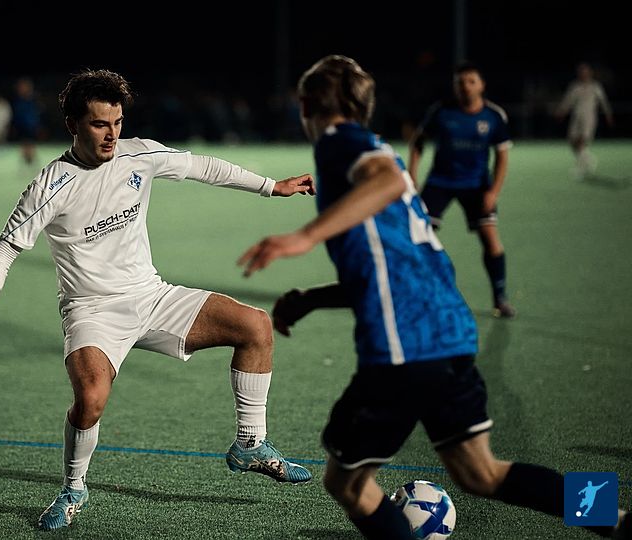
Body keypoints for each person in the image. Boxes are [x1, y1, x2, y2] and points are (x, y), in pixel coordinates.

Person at [238, 55, 629, 540]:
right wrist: (313, 299)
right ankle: (617, 518)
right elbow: (396, 269)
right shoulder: (376, 147)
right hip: (450, 332)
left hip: (404, 345)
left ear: (304, 106)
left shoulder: (342, 143)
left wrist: (304, 237)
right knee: (481, 472)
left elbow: (385, 180)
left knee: (347, 482)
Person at [0, 68, 316, 531]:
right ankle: (74, 488)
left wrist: (272, 186)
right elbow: (5, 250)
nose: (111, 134)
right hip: (92, 312)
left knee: (255, 325)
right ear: (72, 125)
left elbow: (203, 167)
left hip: (151, 295)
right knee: (91, 397)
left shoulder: (138, 154)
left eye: (117, 122)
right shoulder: (51, 185)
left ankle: (250, 443)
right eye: (99, 124)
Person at [407, 62, 516, 319]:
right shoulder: (442, 111)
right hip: (440, 183)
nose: (465, 87)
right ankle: (415, 294)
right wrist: (412, 175)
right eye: (460, 83)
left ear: (482, 85)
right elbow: (418, 141)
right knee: (418, 237)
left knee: (490, 239)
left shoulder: (493, 116)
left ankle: (500, 297)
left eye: (471, 81)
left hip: (477, 186)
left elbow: (502, 156)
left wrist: (493, 192)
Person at [555, 62, 614, 179]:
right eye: (581, 72)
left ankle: (581, 168)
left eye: (585, 72)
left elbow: (603, 101)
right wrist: (562, 111)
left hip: (589, 119)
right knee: (572, 142)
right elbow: (568, 100)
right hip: (576, 118)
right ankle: (589, 159)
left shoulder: (595, 87)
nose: (583, 74)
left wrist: (608, 114)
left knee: (582, 142)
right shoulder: (575, 86)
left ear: (590, 73)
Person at [10, 76, 42, 165]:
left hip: (31, 126)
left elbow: (36, 114)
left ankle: (31, 161)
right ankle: (25, 161)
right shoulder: (17, 101)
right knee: (24, 143)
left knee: (30, 143)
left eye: (23, 87)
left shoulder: (33, 100)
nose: (21, 89)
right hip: (21, 126)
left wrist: (38, 126)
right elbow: (16, 115)